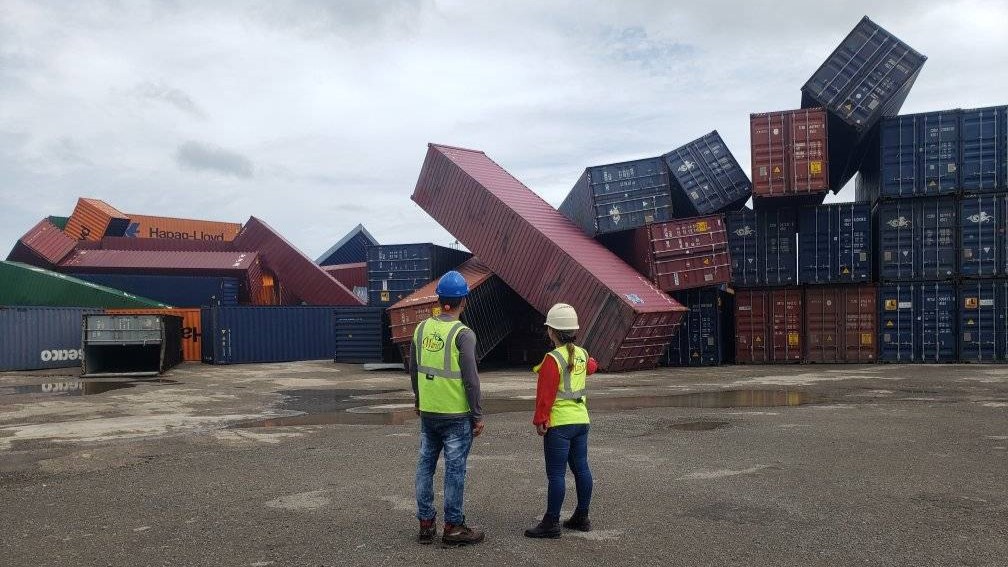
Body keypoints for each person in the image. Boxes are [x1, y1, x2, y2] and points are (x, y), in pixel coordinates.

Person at [411, 270, 485, 547]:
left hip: (429, 413)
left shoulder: (421, 329)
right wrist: (477, 415)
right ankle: (453, 526)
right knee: (455, 470)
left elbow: (414, 370)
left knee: (425, 466)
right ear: (463, 301)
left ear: (439, 298)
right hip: (456, 416)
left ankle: (426, 524)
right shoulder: (463, 334)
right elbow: (471, 379)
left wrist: (419, 399)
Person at [525, 303, 597, 539]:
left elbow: (545, 395)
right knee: (582, 469)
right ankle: (582, 516)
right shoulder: (583, 354)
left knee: (556, 474)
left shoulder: (552, 359)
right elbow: (592, 367)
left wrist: (540, 420)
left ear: (551, 331)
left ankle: (551, 522)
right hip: (581, 421)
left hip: (560, 424)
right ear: (574, 331)